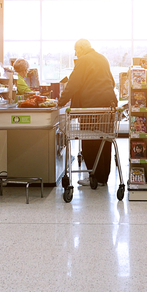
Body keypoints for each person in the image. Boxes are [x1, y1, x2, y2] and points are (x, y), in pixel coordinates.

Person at [57, 39, 117, 187]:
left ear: (82, 48)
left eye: (76, 50)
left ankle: (93, 176)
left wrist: (60, 102)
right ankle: (103, 178)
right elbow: (112, 82)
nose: (75, 53)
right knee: (105, 139)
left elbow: (73, 84)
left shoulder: (83, 60)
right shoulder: (102, 58)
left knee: (89, 140)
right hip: (108, 105)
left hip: (91, 106)